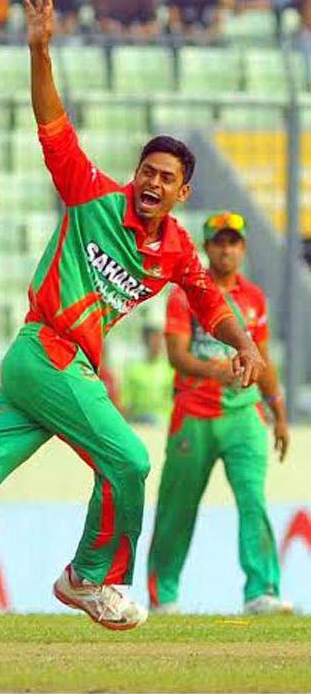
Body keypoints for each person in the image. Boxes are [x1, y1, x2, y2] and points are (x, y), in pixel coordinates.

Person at [0, 0, 264, 631]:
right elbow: (53, 126)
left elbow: (210, 301)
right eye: (146, 170)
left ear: (184, 191)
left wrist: (246, 344)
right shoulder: (91, 195)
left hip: (46, 370)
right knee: (129, 459)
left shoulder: (177, 250)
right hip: (49, 352)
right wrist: (40, 53)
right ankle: (90, 578)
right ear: (136, 173)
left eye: (165, 178)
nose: (151, 182)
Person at [147, 212, 292, 616]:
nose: (226, 249)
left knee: (253, 501)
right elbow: (177, 355)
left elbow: (261, 357)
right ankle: (164, 596)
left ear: (243, 248)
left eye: (233, 242)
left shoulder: (254, 298)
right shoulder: (185, 294)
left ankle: (261, 591)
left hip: (245, 417)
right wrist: (218, 371)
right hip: (195, 413)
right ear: (207, 248)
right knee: (178, 506)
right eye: (218, 242)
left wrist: (278, 410)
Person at [121, 325, 173, 424]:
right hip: (140, 423)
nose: (156, 344)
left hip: (164, 425)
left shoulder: (171, 370)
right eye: (153, 340)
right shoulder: (133, 369)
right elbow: (125, 403)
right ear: (146, 343)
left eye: (159, 340)